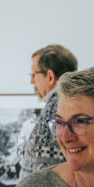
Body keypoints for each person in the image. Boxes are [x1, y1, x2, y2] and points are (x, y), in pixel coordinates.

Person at [20, 43, 76, 175]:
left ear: (50, 77)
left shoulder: (57, 109)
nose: (32, 82)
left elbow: (47, 169)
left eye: (34, 74)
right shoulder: (71, 104)